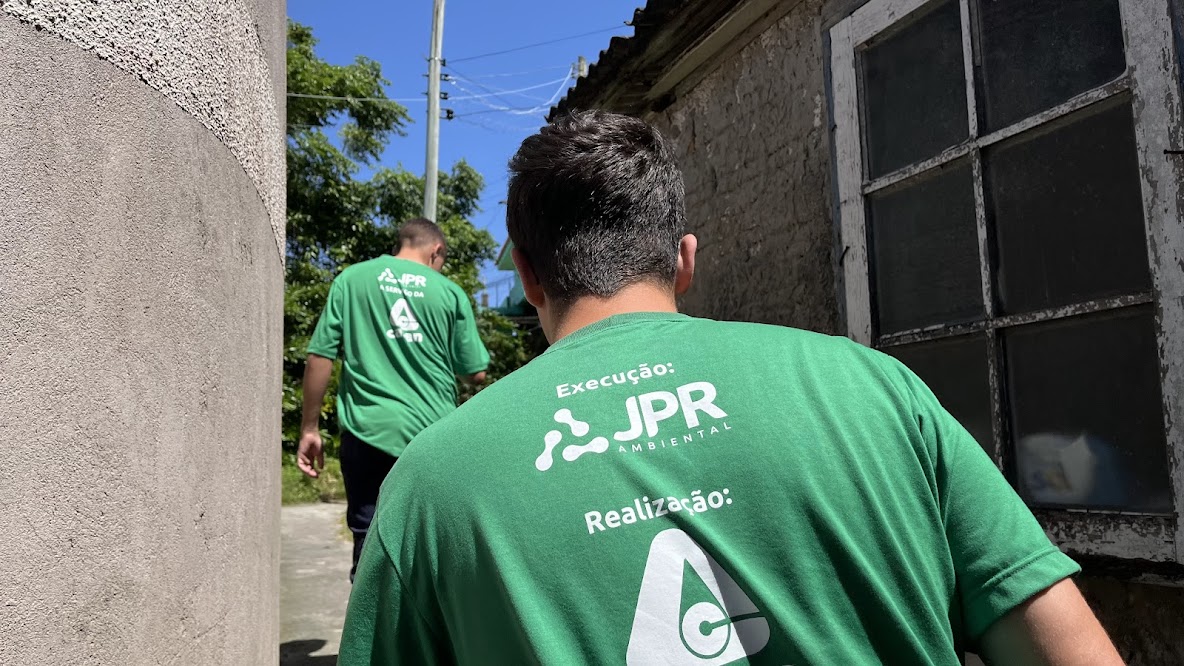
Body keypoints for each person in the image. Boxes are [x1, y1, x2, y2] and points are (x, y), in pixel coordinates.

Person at [339, 112, 1121, 664]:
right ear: (683, 259)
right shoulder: (877, 389)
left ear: (528, 275)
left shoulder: (432, 484)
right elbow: (1066, 646)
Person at [298, 217, 489, 581]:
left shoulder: (352, 280)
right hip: (431, 435)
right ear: (436, 251)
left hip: (367, 430)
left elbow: (320, 355)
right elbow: (475, 372)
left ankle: (370, 614)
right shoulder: (449, 293)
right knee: (430, 545)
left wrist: (310, 427)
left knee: (368, 540)